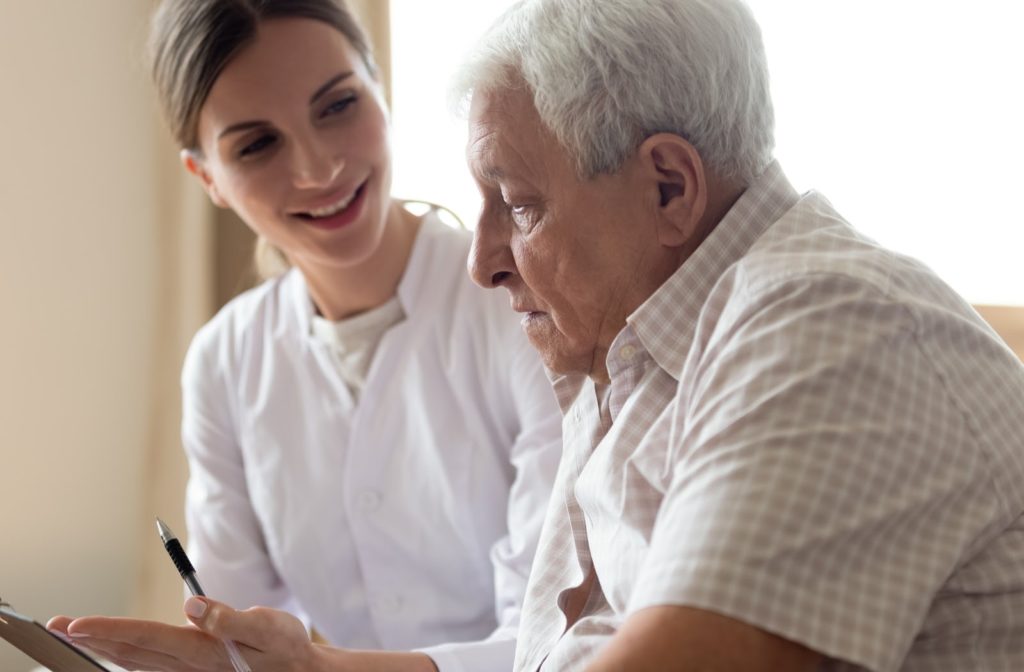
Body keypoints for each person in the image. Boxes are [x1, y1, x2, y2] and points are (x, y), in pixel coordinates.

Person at [50, 0, 1024, 670]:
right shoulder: (634, 360)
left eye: (516, 205)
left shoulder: (825, 334)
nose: (481, 260)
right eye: (256, 142)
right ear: (206, 177)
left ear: (668, 187)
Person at [47, 1, 561, 671]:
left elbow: (559, 639)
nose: (318, 169)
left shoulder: (527, 305)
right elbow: (238, 644)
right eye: (258, 144)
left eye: (338, 106)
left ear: (381, 88)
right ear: (208, 178)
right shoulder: (225, 364)